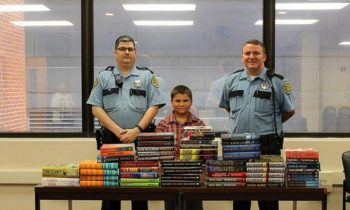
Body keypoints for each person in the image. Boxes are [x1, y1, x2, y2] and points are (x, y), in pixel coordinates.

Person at [87, 35, 165, 210]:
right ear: (115, 52)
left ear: (135, 53)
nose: (126, 52)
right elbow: (95, 108)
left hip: (140, 139)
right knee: (110, 190)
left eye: (130, 49)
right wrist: (118, 131)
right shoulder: (103, 77)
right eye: (122, 49)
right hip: (110, 139)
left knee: (139, 188)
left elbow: (154, 105)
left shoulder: (147, 77)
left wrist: (136, 130)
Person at [219, 39, 295, 210]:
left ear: (264, 57)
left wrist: (268, 123)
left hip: (266, 145)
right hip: (237, 145)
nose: (251, 57)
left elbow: (289, 111)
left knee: (267, 198)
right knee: (240, 199)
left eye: (256, 53)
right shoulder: (231, 80)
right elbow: (228, 108)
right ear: (242, 57)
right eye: (247, 53)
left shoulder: (277, 82)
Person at [155, 85, 205, 210]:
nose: (181, 104)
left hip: (193, 174)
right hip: (170, 174)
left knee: (194, 206)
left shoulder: (199, 124)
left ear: (191, 102)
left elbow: (205, 152)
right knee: (171, 206)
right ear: (171, 102)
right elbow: (157, 152)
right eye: (177, 101)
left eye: (185, 100)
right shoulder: (163, 125)